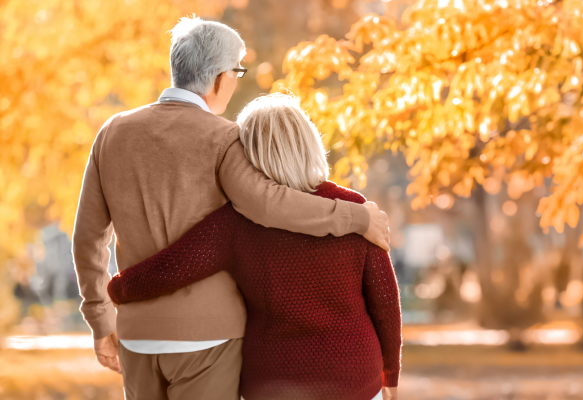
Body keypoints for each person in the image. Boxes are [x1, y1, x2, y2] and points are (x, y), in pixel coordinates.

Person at [72, 17, 390, 400]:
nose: (236, 81)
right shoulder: (223, 138)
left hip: (137, 335)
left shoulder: (111, 133)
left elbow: (88, 239)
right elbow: (269, 204)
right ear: (221, 78)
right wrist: (356, 217)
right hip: (210, 337)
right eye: (237, 72)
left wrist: (100, 317)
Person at [108, 94, 402, 400]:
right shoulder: (356, 210)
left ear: (248, 155)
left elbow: (173, 268)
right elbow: (385, 302)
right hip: (354, 379)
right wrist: (390, 375)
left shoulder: (235, 222)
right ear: (309, 143)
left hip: (271, 382)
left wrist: (118, 288)